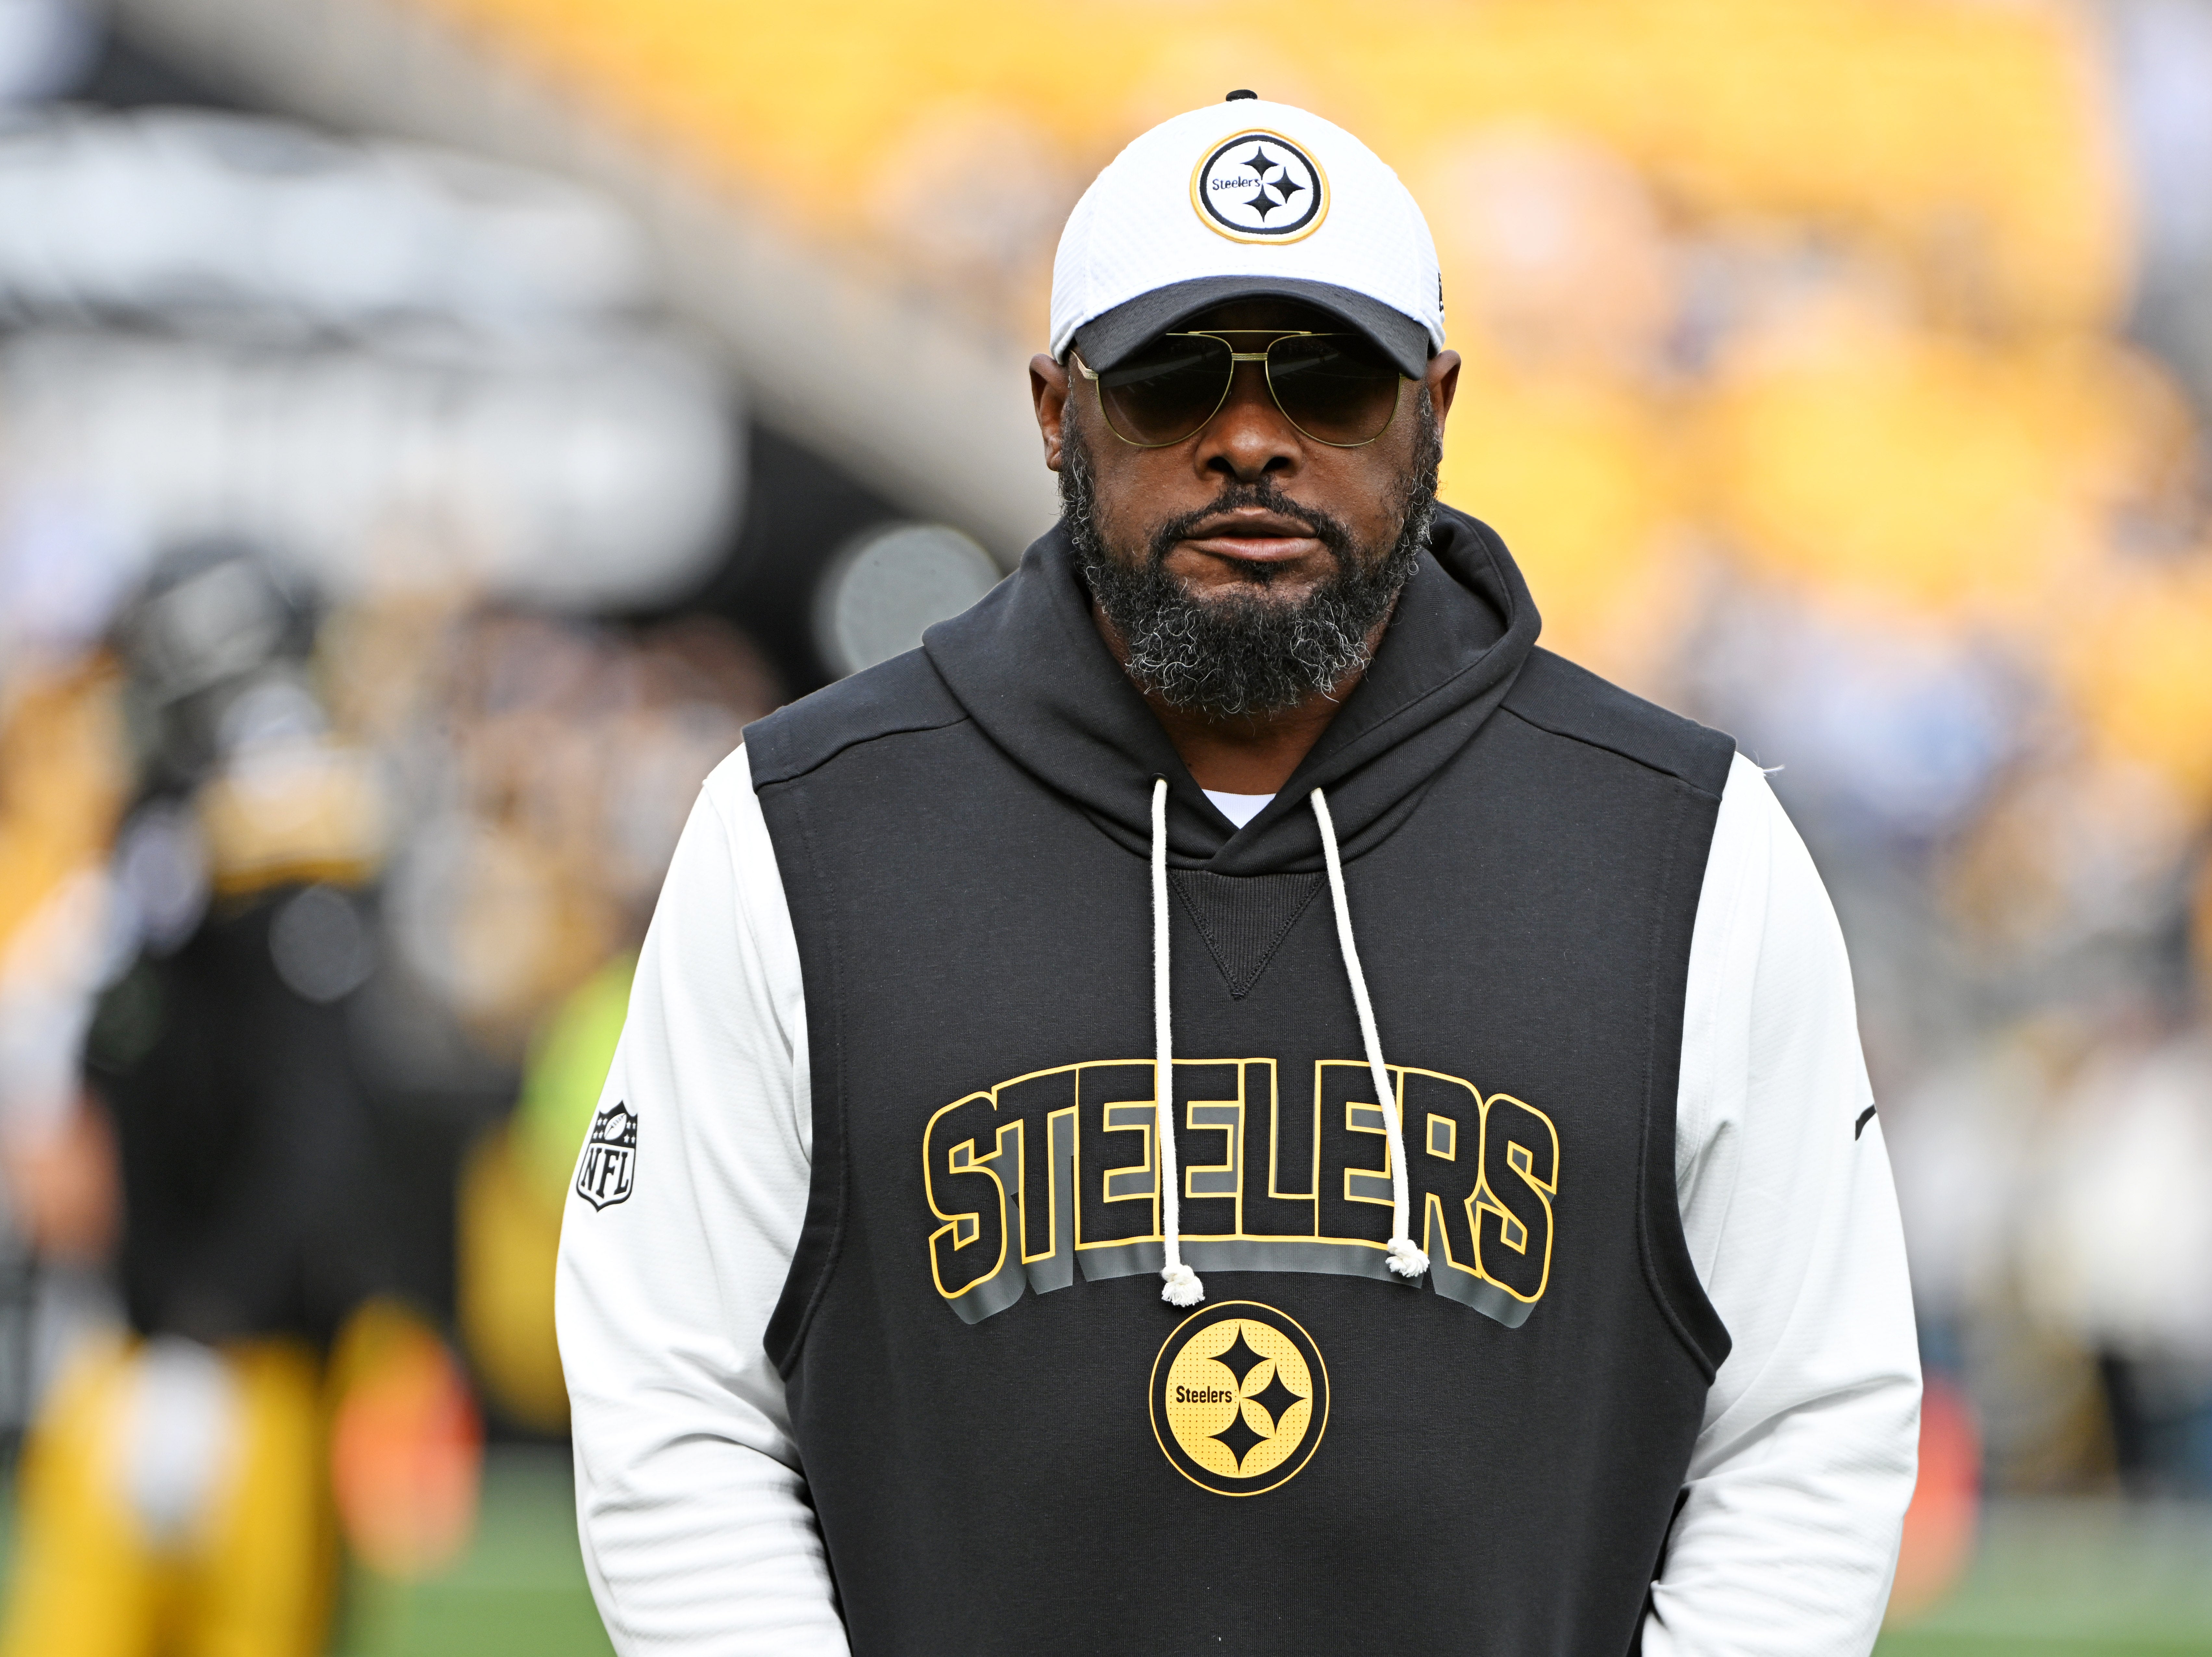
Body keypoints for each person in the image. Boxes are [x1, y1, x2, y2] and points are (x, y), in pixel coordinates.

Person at [558, 95, 1919, 1654]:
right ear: (1057, 413)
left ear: (1436, 409)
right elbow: (675, 1396)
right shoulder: (805, 827)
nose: (1253, 437)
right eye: (1172, 377)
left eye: (1329, 377)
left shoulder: (1685, 844)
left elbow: (1810, 1416)